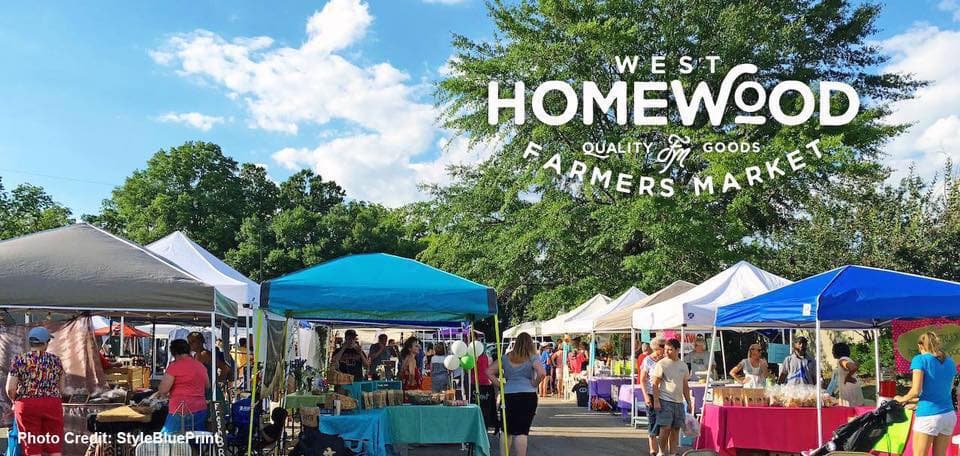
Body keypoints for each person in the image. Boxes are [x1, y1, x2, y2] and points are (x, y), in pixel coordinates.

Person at [895, 332, 957, 456]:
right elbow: (945, 390)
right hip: (948, 414)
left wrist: (900, 399)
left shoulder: (919, 359)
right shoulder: (950, 361)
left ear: (920, 346)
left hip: (928, 415)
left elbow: (915, 391)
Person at [6, 327, 65, 456]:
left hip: (27, 405)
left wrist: (14, 400)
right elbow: (61, 388)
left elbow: (10, 388)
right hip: (52, 404)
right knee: (54, 445)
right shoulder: (56, 361)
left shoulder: (19, 360)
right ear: (45, 343)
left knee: (31, 445)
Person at [487, 332, 544, 456]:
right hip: (528, 395)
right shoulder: (532, 357)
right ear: (530, 343)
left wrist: (500, 385)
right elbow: (542, 373)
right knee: (521, 431)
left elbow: (489, 371)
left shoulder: (506, 358)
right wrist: (534, 383)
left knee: (506, 430)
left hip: (509, 395)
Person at [159, 339, 210, 433]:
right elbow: (207, 385)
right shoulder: (200, 366)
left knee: (168, 440)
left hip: (179, 410)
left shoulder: (174, 366)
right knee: (197, 441)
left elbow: (163, 389)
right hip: (199, 409)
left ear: (174, 353)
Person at [652, 339, 692, 456]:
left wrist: (689, 402)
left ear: (677, 350)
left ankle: (673, 453)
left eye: (670, 350)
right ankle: (661, 452)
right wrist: (656, 401)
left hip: (679, 402)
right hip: (665, 401)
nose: (667, 352)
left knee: (675, 429)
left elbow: (685, 385)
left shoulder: (683, 366)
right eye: (665, 350)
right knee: (665, 429)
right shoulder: (662, 364)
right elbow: (655, 383)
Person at [638, 337, 666, 455]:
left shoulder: (666, 359)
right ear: (656, 348)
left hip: (665, 394)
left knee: (665, 422)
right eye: (663, 347)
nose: (665, 349)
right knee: (653, 420)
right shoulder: (647, 360)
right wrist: (645, 396)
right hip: (650, 393)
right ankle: (653, 449)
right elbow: (643, 380)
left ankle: (663, 450)